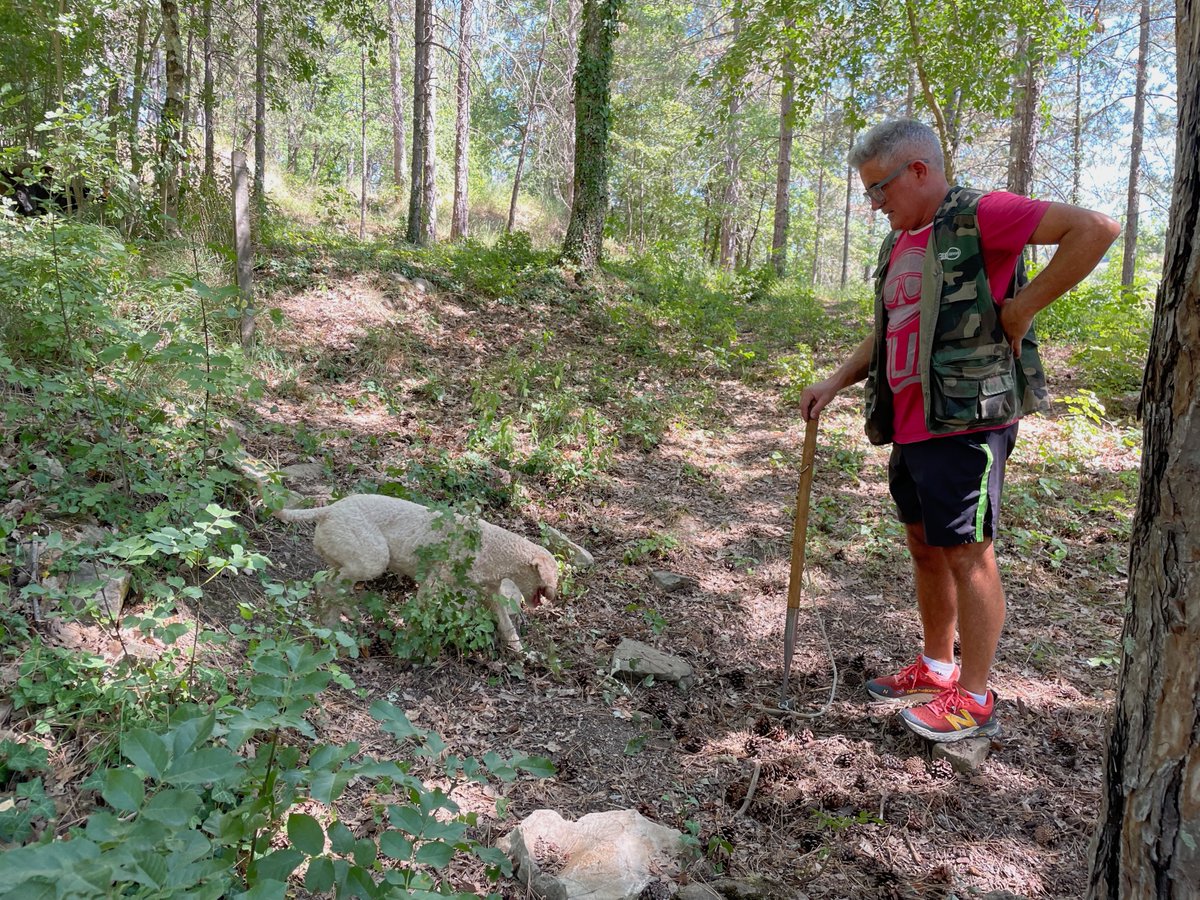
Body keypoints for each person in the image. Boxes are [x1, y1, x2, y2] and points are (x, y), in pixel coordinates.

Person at [799, 119, 1120, 742]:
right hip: (911, 422)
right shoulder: (900, 242)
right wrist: (835, 380)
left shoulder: (981, 213)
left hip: (966, 422)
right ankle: (937, 668)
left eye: (879, 189)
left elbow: (1095, 228)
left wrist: (1022, 308)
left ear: (918, 170)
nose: (874, 204)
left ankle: (974, 699)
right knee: (925, 545)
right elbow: (891, 325)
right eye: (868, 193)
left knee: (969, 552)